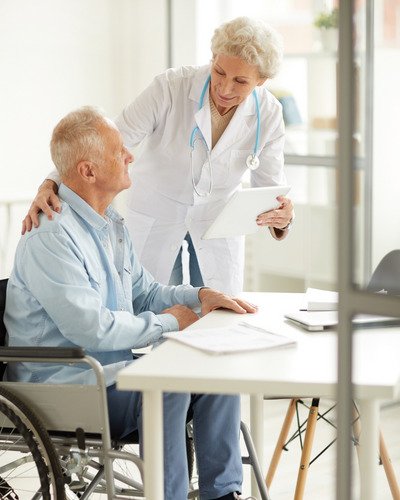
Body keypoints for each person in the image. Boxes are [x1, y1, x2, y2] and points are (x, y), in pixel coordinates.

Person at [5, 107, 258, 500]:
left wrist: (199, 296)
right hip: (64, 386)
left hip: (114, 374)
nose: (130, 156)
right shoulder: (51, 236)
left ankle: (222, 494)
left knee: (214, 369)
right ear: (89, 172)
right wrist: (171, 323)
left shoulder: (111, 225)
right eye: (119, 150)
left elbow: (146, 292)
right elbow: (90, 328)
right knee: (166, 386)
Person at [22, 16, 293, 296]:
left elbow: (270, 190)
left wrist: (282, 216)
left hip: (217, 220)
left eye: (240, 81)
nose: (225, 88)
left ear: (262, 80)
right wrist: (51, 182)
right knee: (155, 306)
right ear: (213, 57)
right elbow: (109, 141)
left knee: (219, 314)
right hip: (158, 213)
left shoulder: (269, 115)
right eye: (219, 72)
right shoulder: (171, 87)